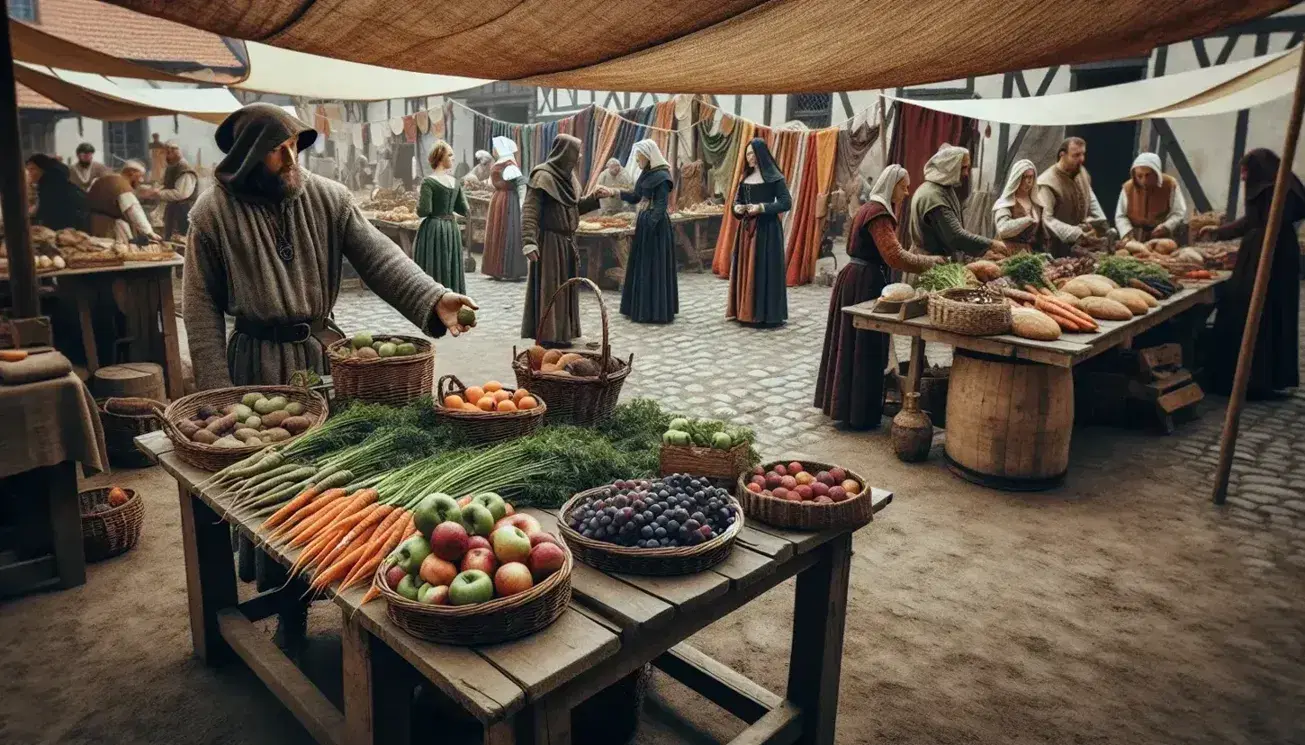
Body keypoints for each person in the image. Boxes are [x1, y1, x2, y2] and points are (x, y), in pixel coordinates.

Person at [183, 103, 476, 389]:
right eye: (276, 149)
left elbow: (381, 260)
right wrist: (216, 388)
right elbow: (200, 306)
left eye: (294, 144)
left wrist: (434, 298)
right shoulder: (213, 213)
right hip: (256, 365)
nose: (291, 159)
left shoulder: (330, 198)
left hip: (322, 355)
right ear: (248, 155)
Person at [815, 165, 944, 430]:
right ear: (892, 185)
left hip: (861, 278)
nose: (907, 192)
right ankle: (856, 412)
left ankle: (851, 407)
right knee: (863, 346)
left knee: (861, 345)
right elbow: (894, 256)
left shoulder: (873, 209)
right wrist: (931, 263)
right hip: (863, 282)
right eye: (904, 186)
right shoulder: (878, 214)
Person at [1196, 148, 1301, 397]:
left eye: (1245, 171)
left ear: (1258, 170)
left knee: (1261, 315)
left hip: (1271, 260)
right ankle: (1241, 376)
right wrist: (1219, 232)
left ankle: (1257, 379)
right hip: (1260, 256)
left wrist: (1247, 240)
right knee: (1244, 310)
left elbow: (1264, 224)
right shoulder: (1268, 188)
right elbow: (1252, 221)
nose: (1243, 177)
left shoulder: (1279, 189)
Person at [521, 133, 607, 346]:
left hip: (567, 242)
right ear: (565, 154)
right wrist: (529, 240)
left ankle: (563, 333)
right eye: (576, 153)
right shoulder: (543, 176)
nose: (579, 158)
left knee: (566, 288)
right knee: (551, 288)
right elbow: (530, 211)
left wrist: (594, 198)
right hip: (549, 243)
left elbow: (574, 208)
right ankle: (550, 335)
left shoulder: (569, 178)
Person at [726, 138, 791, 326]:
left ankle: (765, 314)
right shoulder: (745, 178)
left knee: (763, 269)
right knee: (747, 268)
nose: (750, 157)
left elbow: (786, 202)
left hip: (767, 231)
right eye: (747, 154)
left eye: (753, 153)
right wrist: (737, 208)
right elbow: (737, 200)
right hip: (747, 231)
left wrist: (762, 208)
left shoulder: (774, 177)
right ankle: (744, 311)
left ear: (761, 154)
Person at [617, 139, 678, 323]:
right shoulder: (645, 174)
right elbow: (636, 197)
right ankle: (641, 308)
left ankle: (656, 311)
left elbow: (660, 205)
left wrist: (650, 227)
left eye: (638, 155)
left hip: (657, 227)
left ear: (648, 155)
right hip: (645, 224)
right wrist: (614, 192)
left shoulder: (662, 176)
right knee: (642, 265)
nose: (636, 159)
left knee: (654, 265)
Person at [908, 144, 1002, 260]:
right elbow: (956, 237)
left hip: (938, 263)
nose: (966, 173)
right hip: (927, 264)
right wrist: (991, 244)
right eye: (963, 168)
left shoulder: (944, 189)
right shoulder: (933, 196)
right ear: (949, 167)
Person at [413, 140, 469, 295]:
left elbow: (424, 210)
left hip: (434, 229)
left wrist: (417, 205)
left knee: (435, 263)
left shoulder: (428, 182)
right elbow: (465, 210)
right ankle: (452, 295)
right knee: (450, 264)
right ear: (440, 157)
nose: (453, 158)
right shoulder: (455, 183)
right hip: (452, 228)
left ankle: (432, 296)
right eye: (450, 155)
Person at [1037, 136, 1110, 256]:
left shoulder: (1081, 172)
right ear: (1062, 155)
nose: (1081, 159)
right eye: (1076, 155)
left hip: (1081, 246)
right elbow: (1046, 219)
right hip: (1054, 248)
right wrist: (1075, 233)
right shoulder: (1047, 182)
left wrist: (1100, 222)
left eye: (1083, 154)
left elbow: (1089, 196)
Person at [481, 135, 527, 281]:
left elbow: (521, 184)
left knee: (508, 231)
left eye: (495, 147)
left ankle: (509, 269)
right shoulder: (500, 162)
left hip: (508, 201)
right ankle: (495, 268)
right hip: (498, 199)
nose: (493, 150)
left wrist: (521, 202)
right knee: (496, 231)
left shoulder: (509, 164)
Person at [1116, 152, 1187, 243]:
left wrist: (1167, 226)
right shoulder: (1128, 188)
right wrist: (1127, 232)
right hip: (1134, 236)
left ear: (1156, 173)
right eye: (1139, 176)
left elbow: (1178, 212)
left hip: (1161, 237)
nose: (1144, 180)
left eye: (1148, 175)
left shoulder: (1169, 184)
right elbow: (1120, 215)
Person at [137, 141, 199, 239]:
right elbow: (166, 184)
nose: (165, 158)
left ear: (173, 153)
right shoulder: (173, 167)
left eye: (166, 154)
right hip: (174, 211)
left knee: (181, 240)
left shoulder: (185, 169)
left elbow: (181, 194)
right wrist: (152, 190)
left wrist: (158, 193)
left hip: (183, 212)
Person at [86, 161, 160, 241]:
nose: (141, 180)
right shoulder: (122, 185)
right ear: (132, 173)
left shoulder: (102, 179)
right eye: (140, 176)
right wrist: (149, 232)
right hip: (108, 229)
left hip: (90, 224)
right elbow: (134, 211)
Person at [992, 159, 1049, 256]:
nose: (1028, 181)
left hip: (1027, 254)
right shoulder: (1006, 203)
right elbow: (1002, 229)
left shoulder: (1037, 205)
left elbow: (1040, 236)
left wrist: (1043, 253)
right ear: (1017, 178)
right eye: (1024, 177)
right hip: (1005, 252)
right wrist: (1026, 221)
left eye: (1031, 177)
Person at [25, 154, 88, 232]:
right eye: (28, 170)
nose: (29, 173)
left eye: (32, 169)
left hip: (67, 230)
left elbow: (44, 213)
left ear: (43, 169)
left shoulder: (52, 187)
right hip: (68, 228)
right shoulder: (52, 183)